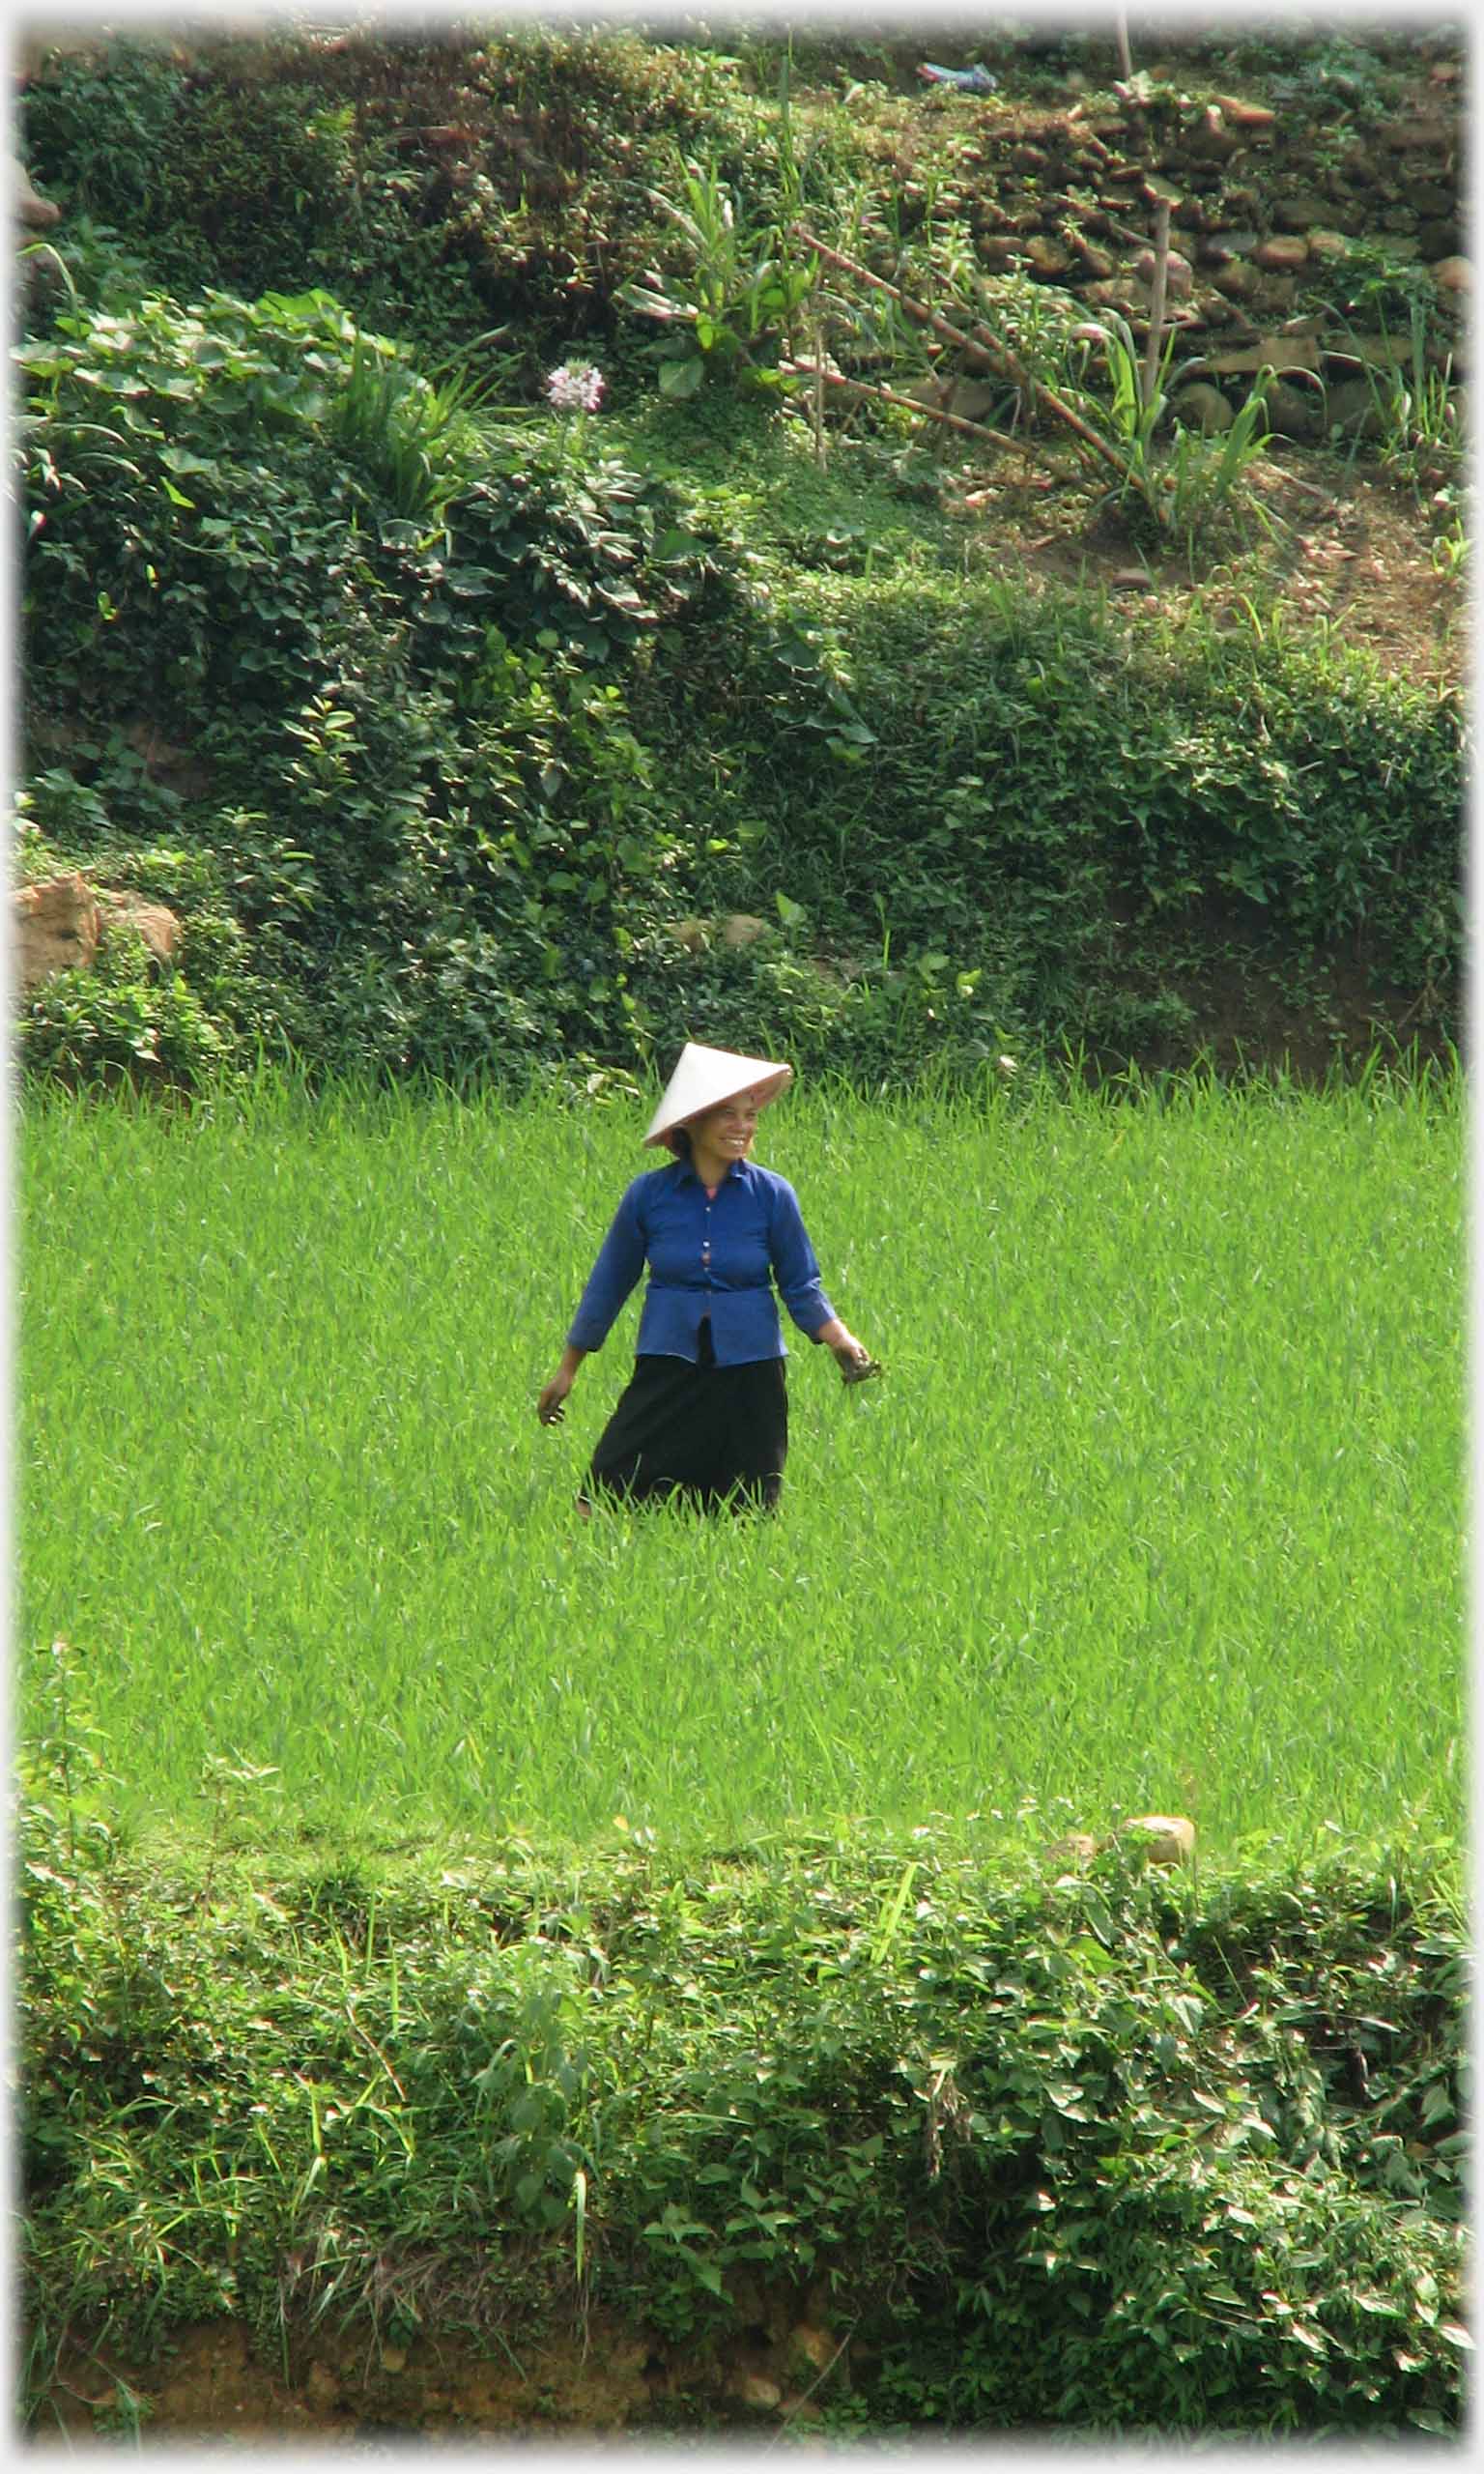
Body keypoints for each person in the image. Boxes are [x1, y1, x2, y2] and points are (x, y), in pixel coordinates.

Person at [536, 1042, 875, 1514]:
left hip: (750, 1367)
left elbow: (801, 1284)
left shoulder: (772, 1196)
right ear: (693, 1122)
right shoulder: (649, 1196)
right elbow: (609, 1284)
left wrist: (841, 1340)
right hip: (669, 1358)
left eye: (750, 1115)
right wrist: (568, 1368)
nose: (743, 1128)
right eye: (728, 1115)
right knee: (605, 1494)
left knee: (747, 1510)